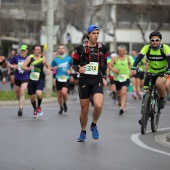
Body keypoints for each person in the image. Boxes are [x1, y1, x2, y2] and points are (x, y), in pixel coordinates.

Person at [73, 24, 108, 142]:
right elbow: (74, 64)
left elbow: (104, 64)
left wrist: (103, 77)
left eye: (97, 33)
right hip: (84, 80)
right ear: (88, 34)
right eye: (94, 33)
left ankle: (93, 124)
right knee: (85, 109)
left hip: (97, 79)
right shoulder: (80, 48)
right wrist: (79, 69)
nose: (96, 35)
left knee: (98, 105)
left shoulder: (103, 48)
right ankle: (83, 131)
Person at [131, 31, 170, 124]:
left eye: (157, 40)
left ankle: (162, 98)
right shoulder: (147, 48)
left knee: (159, 83)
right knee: (146, 91)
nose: (154, 42)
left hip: (162, 72)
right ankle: (144, 114)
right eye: (152, 40)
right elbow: (139, 57)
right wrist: (134, 66)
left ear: (160, 40)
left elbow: (169, 59)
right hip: (151, 71)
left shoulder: (165, 48)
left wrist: (168, 70)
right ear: (150, 41)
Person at [22, 45, 51, 118]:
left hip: (40, 79)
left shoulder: (43, 58)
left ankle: (39, 107)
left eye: (40, 49)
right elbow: (23, 67)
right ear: (33, 51)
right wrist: (29, 68)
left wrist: (48, 70)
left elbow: (48, 66)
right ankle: (35, 109)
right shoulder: (30, 58)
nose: (39, 51)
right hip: (31, 79)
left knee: (39, 93)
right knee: (32, 97)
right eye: (37, 49)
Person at [108, 45, 131, 115]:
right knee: (118, 93)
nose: (121, 52)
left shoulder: (127, 58)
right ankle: (120, 103)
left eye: (122, 51)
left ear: (125, 51)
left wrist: (130, 71)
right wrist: (114, 70)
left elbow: (130, 65)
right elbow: (109, 66)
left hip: (125, 77)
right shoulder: (115, 58)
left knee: (124, 91)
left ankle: (122, 107)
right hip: (117, 78)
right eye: (119, 51)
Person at [51, 44, 72, 114]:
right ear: (58, 50)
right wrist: (53, 68)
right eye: (59, 48)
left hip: (66, 78)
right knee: (59, 94)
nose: (61, 49)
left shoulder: (68, 58)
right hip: (58, 78)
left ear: (64, 50)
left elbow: (73, 65)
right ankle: (61, 107)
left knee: (64, 92)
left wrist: (70, 70)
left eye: (62, 48)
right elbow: (50, 67)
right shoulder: (55, 59)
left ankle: (65, 103)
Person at [7, 45, 29, 116]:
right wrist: (13, 66)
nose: (23, 51)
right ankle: (20, 103)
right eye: (22, 50)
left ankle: (20, 108)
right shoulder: (16, 57)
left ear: (27, 51)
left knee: (22, 92)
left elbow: (33, 66)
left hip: (25, 78)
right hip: (17, 78)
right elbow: (8, 63)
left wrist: (28, 68)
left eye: (24, 50)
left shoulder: (28, 58)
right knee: (17, 93)